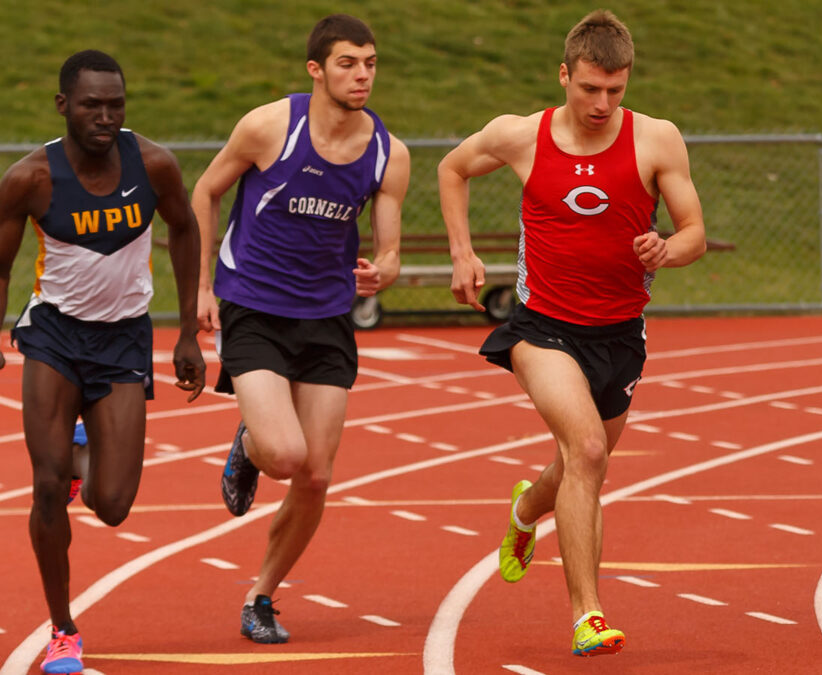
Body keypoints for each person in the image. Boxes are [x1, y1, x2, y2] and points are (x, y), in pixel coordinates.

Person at [438, 9, 706, 656]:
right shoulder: (520, 136)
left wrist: (668, 250)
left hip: (620, 335)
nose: (602, 103)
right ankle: (588, 614)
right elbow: (452, 169)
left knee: (580, 462)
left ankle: (525, 510)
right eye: (590, 88)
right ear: (565, 75)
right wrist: (462, 253)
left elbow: (694, 229)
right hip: (543, 328)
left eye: (616, 90)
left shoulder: (657, 140)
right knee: (587, 449)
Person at [191, 14, 408, 645]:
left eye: (369, 63)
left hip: (327, 315)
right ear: (316, 69)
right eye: (347, 63)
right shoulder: (269, 127)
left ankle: (261, 594)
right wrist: (202, 287)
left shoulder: (388, 153)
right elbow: (205, 192)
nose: (361, 75)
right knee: (285, 455)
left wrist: (384, 271)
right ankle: (253, 442)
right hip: (253, 304)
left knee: (316, 475)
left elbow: (388, 250)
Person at [0, 50, 205, 674]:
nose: (106, 117)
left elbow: (186, 229)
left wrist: (189, 333)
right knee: (45, 484)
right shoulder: (30, 179)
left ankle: (82, 453)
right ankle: (63, 629)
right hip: (54, 336)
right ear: (64, 105)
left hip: (122, 340)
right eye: (92, 105)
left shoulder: (154, 165)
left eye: (116, 105)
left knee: (113, 505)